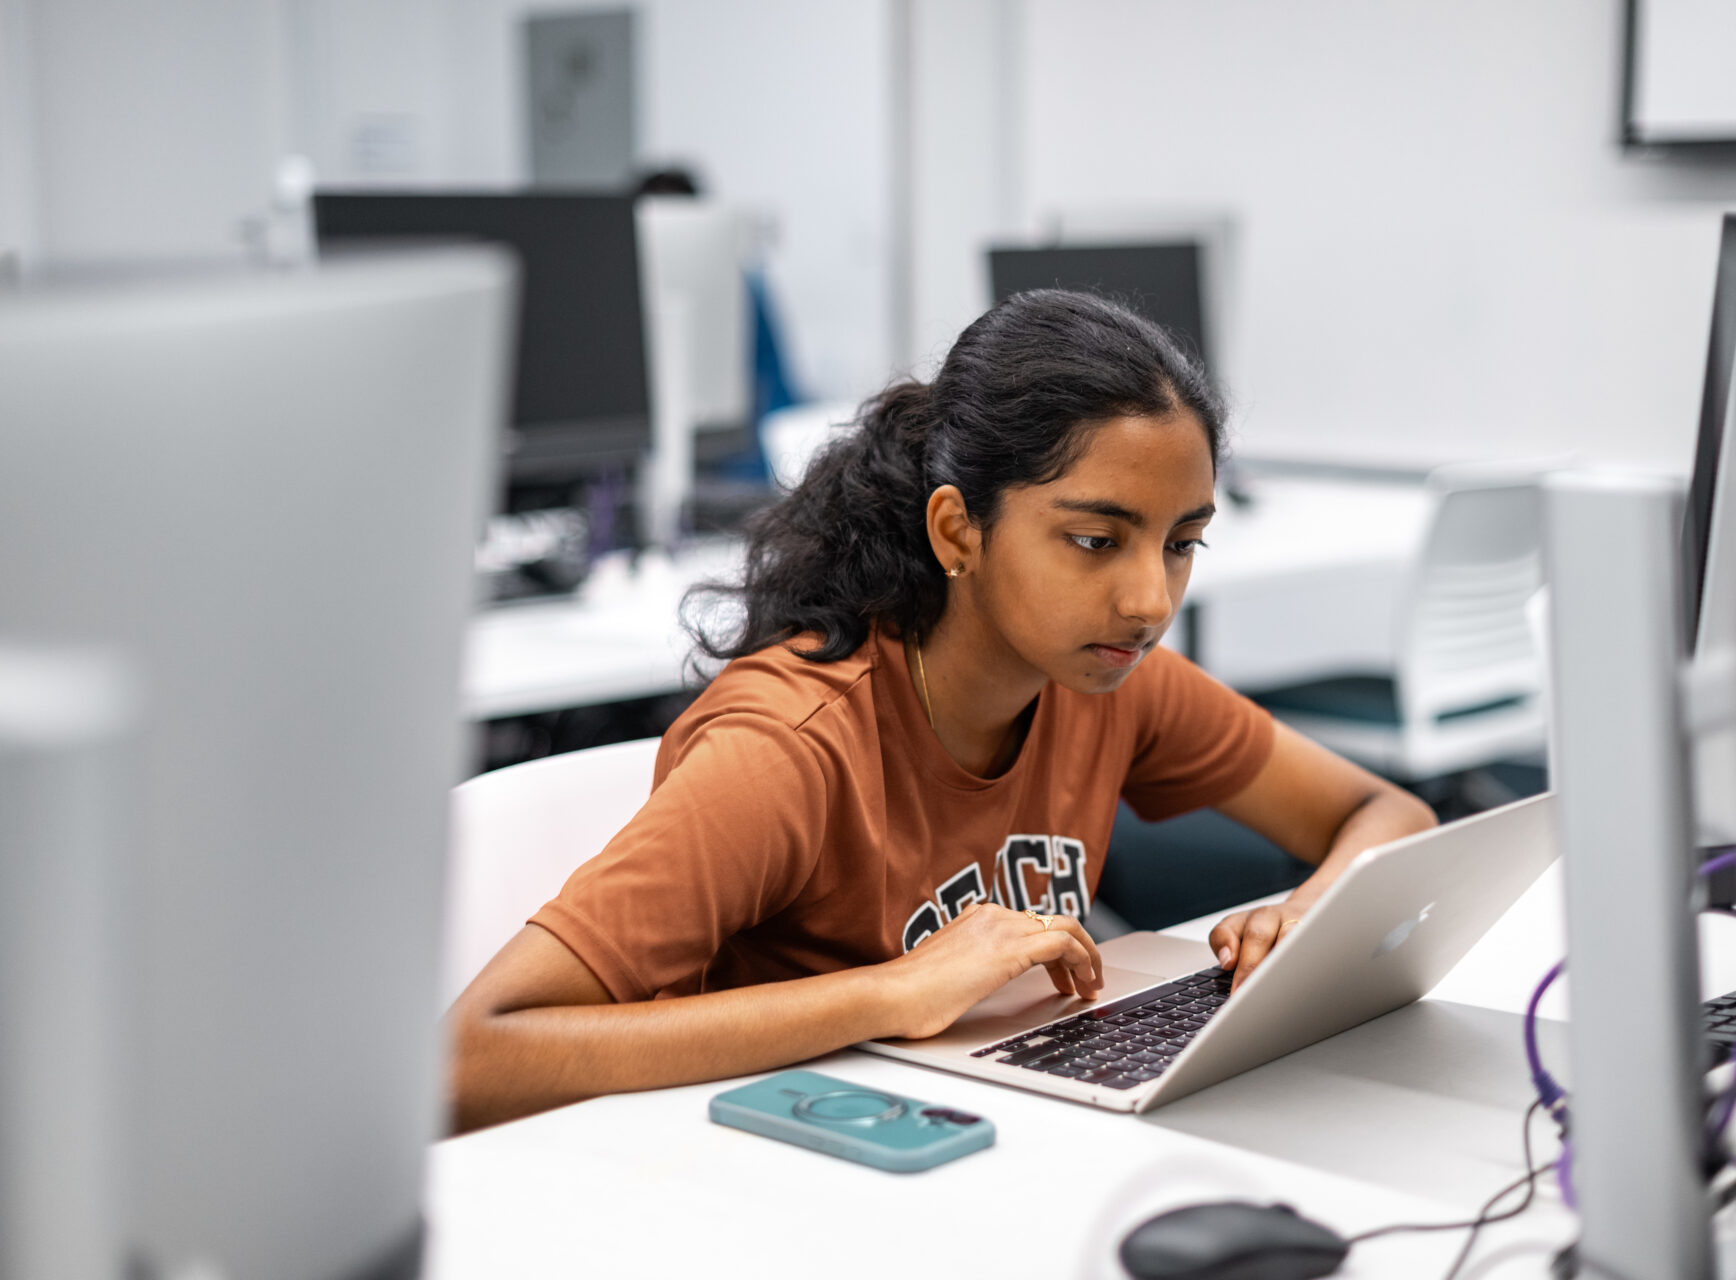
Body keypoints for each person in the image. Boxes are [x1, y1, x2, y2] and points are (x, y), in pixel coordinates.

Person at [447, 290, 1435, 1133]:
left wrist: (1313, 915)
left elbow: (1387, 816)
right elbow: (470, 1057)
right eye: (1097, 540)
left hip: (989, 1130)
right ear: (959, 529)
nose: (1148, 599)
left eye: (1182, 543)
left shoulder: (1107, 678)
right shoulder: (792, 747)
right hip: (770, 1177)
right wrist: (892, 991)